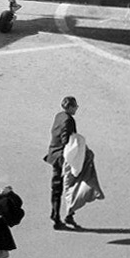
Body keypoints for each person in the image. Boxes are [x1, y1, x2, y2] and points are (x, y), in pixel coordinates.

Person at [44, 96, 78, 230]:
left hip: (53, 154)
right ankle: (66, 214)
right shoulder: (69, 120)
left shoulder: (59, 116)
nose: (76, 108)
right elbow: (66, 139)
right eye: (75, 106)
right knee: (71, 185)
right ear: (70, 107)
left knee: (56, 186)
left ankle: (56, 213)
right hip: (62, 157)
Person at [62, 131, 105, 229]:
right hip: (73, 167)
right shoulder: (77, 142)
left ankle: (69, 214)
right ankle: (68, 214)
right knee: (70, 191)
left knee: (69, 191)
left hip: (73, 167)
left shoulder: (76, 143)